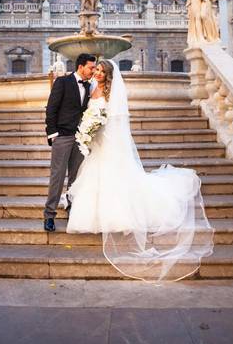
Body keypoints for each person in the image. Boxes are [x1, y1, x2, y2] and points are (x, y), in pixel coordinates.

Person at [67, 60, 214, 282]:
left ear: (108, 75)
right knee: (94, 180)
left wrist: (97, 131)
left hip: (109, 143)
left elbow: (115, 123)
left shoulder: (111, 94)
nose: (97, 73)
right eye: (96, 69)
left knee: (112, 179)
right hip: (96, 144)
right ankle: (93, 218)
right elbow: (90, 115)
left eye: (101, 71)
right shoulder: (92, 88)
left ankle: (117, 218)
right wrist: (88, 133)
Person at [43, 53, 95, 231]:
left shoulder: (90, 86)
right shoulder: (62, 82)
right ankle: (49, 215)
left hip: (81, 138)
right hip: (63, 136)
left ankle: (72, 209)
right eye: (91, 68)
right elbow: (51, 108)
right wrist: (52, 133)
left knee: (75, 178)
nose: (93, 71)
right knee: (57, 177)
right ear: (81, 67)